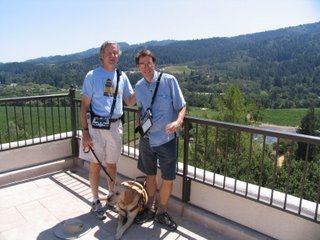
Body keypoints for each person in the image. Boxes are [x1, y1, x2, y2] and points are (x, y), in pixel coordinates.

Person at [80, 41, 135, 220]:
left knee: (112, 164)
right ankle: (96, 200)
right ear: (101, 55)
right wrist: (85, 132)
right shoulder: (92, 76)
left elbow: (130, 101)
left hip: (115, 126)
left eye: (116, 53)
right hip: (96, 128)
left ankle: (111, 198)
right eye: (109, 53)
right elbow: (84, 106)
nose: (113, 55)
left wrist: (143, 86)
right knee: (95, 165)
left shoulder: (122, 76)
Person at [134, 49, 186, 231]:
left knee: (168, 178)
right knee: (149, 175)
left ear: (154, 64)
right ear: (138, 67)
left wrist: (178, 121)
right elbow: (141, 108)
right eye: (142, 64)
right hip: (147, 139)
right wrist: (139, 122)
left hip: (167, 139)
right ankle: (149, 208)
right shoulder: (138, 86)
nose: (146, 67)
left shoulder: (169, 81)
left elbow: (182, 106)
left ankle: (161, 211)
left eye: (149, 63)